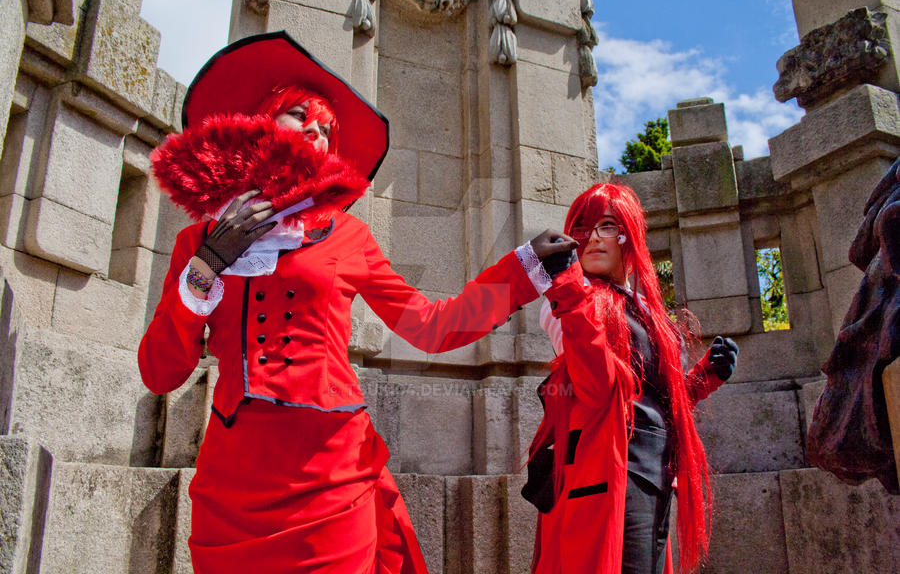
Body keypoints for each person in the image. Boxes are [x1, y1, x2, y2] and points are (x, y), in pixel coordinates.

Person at [138, 31, 574, 574]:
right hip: (234, 481)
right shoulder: (197, 242)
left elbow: (432, 327)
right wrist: (206, 267)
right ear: (259, 121)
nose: (317, 134)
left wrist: (520, 270)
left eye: (327, 129)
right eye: (300, 116)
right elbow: (160, 373)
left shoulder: (349, 237)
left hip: (332, 473)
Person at [520, 183, 739, 574]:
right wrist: (568, 292)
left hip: (654, 473)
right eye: (583, 227)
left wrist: (704, 377)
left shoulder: (645, 310)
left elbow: (654, 400)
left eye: (607, 225)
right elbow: (598, 386)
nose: (592, 238)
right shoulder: (574, 298)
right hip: (605, 474)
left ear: (629, 234)